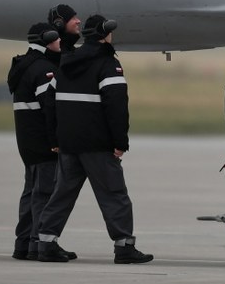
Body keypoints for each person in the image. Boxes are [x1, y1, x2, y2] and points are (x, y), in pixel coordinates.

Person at [36, 14, 153, 265]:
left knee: (62, 194)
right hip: (98, 146)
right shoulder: (108, 65)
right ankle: (124, 247)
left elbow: (48, 100)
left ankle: (45, 243)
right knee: (114, 195)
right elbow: (117, 107)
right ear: (105, 35)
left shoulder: (66, 63)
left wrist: (55, 137)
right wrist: (121, 143)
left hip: (68, 144)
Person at [7, 22, 76, 261]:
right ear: (47, 39)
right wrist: (56, 140)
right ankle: (40, 243)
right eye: (56, 39)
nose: (61, 43)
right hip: (43, 143)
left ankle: (23, 243)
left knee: (31, 192)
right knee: (45, 193)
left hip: (27, 143)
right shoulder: (44, 70)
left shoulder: (24, 66)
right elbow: (50, 108)